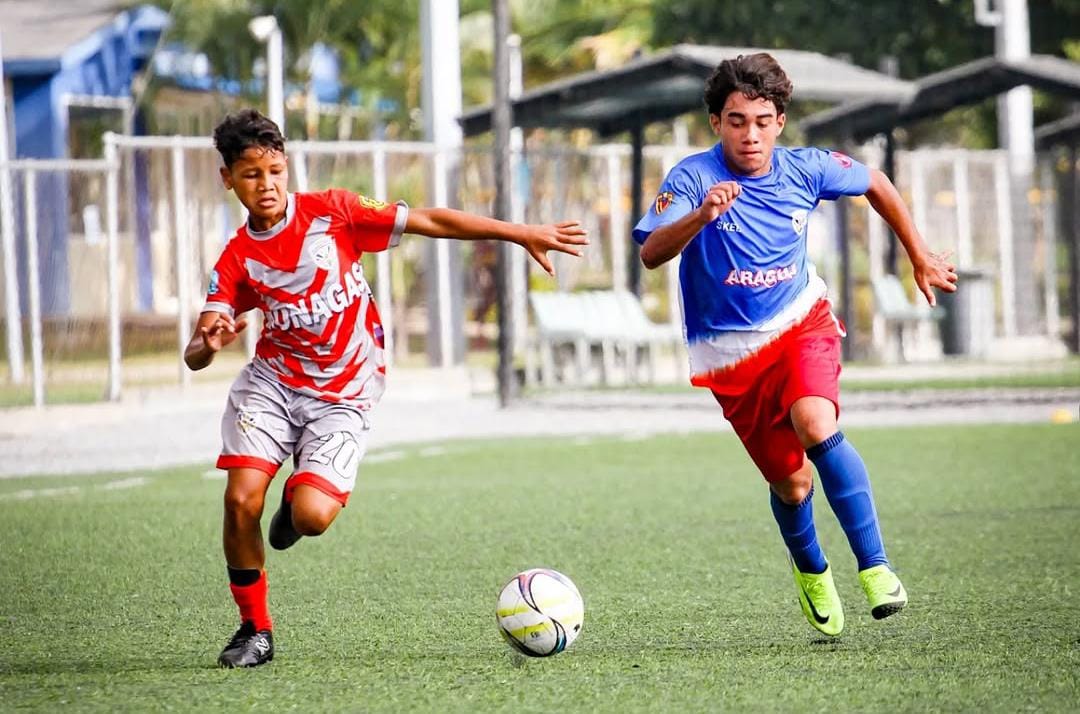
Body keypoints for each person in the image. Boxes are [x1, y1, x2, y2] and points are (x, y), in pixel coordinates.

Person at [186, 109, 587, 668]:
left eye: (275, 170)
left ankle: (295, 503)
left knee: (312, 518)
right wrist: (209, 341)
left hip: (345, 390)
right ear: (228, 178)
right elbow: (197, 348)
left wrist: (520, 233)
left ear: (287, 167)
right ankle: (255, 630)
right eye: (251, 174)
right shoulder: (236, 257)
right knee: (238, 499)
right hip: (272, 384)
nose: (267, 184)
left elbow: (430, 220)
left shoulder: (334, 212)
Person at [633, 53, 957, 637]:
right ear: (716, 122)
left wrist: (919, 256)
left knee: (815, 422)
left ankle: (876, 566)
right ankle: (811, 568)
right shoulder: (692, 178)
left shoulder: (806, 168)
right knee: (792, 483)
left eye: (762, 121)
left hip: (801, 322)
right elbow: (652, 252)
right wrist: (702, 217)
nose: (750, 135)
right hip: (730, 356)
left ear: (780, 122)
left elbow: (876, 182)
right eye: (737, 121)